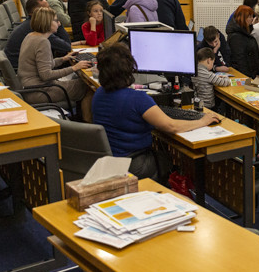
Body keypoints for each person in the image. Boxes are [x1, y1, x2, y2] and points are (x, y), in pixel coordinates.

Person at [92, 44, 220, 179]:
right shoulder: (138, 99)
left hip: (108, 163)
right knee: (170, 160)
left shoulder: (99, 94)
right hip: (134, 164)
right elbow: (171, 126)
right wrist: (202, 121)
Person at [17, 8, 93, 120]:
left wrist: (63, 59)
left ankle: (79, 118)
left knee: (79, 80)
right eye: (56, 20)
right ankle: (87, 123)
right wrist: (74, 67)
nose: (59, 23)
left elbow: (44, 64)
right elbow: (46, 75)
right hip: (40, 91)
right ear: (47, 22)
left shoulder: (30, 36)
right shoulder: (42, 42)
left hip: (30, 88)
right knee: (88, 86)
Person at [5, 0, 73, 68]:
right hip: (22, 68)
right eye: (47, 8)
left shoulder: (30, 23)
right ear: (38, 12)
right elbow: (66, 47)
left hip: (23, 65)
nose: (51, 10)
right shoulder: (38, 28)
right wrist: (58, 23)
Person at [226, 5, 259, 79]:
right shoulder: (236, 37)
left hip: (249, 73)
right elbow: (240, 60)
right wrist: (247, 78)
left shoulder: (244, 32)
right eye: (249, 17)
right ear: (243, 18)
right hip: (244, 75)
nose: (252, 19)